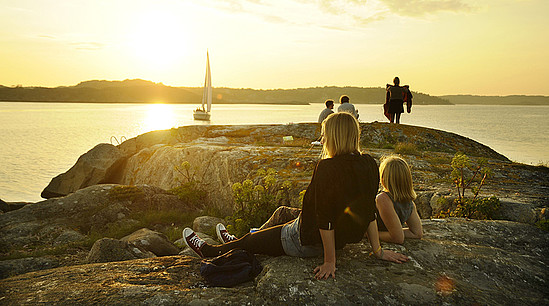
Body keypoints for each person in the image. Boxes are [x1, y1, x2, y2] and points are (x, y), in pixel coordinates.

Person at [183, 112, 409, 280]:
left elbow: (325, 218)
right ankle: (238, 242)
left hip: (304, 240)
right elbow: (368, 210)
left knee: (253, 242)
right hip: (331, 236)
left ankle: (210, 250)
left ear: (333, 137)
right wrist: (377, 251)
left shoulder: (327, 168)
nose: (322, 140)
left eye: (324, 135)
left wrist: (329, 261)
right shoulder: (369, 163)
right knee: (282, 212)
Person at [373, 155, 423, 244]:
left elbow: (398, 238)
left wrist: (369, 234)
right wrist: (398, 232)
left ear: (383, 178)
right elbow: (416, 233)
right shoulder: (409, 201)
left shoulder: (383, 199)